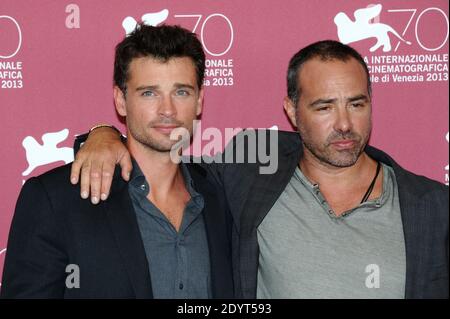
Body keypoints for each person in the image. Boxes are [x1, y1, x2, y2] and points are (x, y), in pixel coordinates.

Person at [70, 40, 448, 299]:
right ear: (291, 110)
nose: (345, 124)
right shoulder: (253, 167)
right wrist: (103, 134)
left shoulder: (431, 207)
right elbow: (164, 163)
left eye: (356, 104)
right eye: (323, 107)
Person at [1, 24, 234, 298]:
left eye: (181, 92)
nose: (168, 110)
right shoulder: (55, 199)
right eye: (149, 93)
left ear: (199, 101)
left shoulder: (221, 194)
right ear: (120, 101)